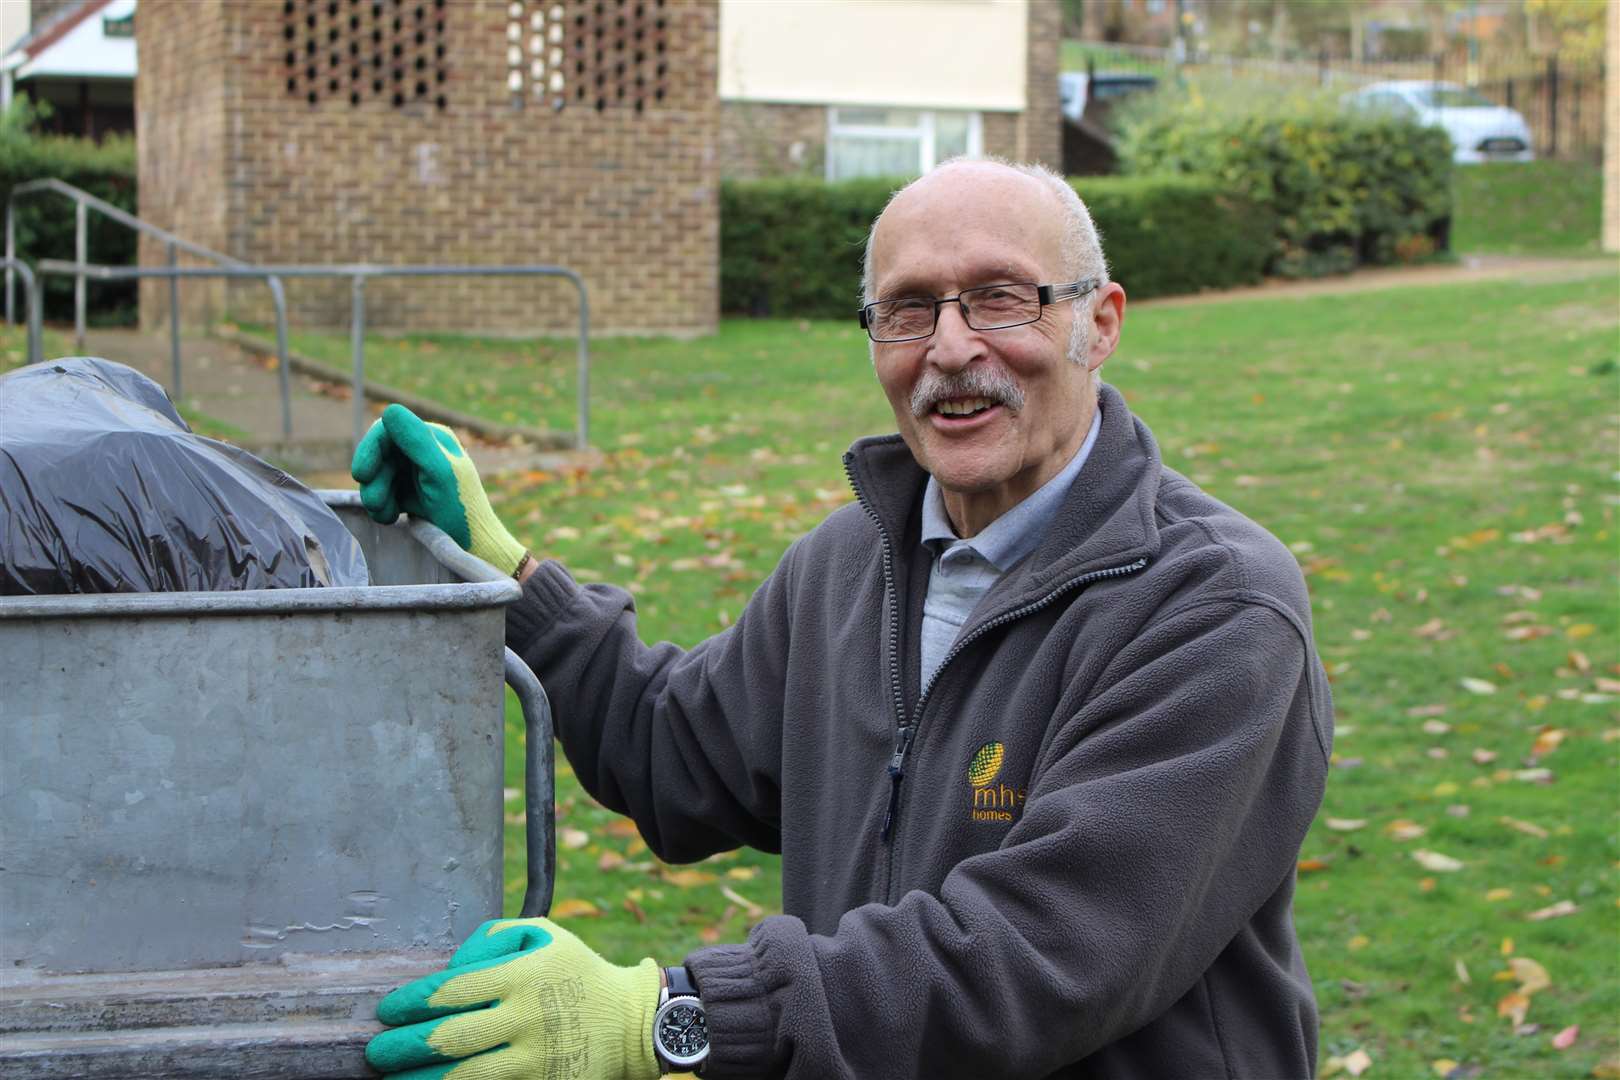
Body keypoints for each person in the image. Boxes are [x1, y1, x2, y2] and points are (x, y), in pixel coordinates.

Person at [352, 158, 1333, 1080]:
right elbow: (678, 753)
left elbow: (1042, 956)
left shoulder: (1214, 605)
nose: (950, 350)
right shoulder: (852, 562)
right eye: (908, 311)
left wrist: (668, 1016)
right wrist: (504, 574)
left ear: (1101, 322)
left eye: (1000, 298)